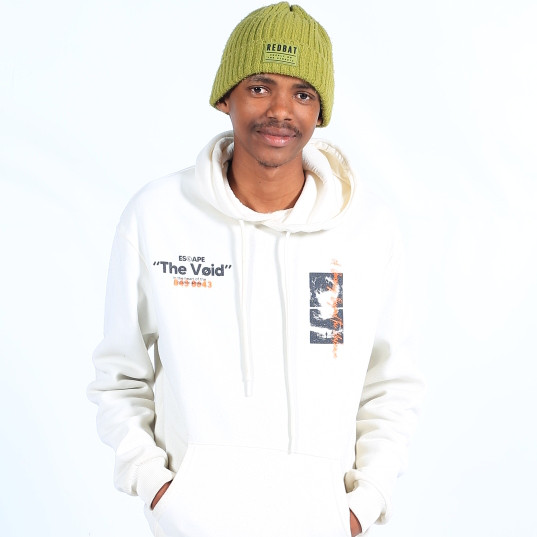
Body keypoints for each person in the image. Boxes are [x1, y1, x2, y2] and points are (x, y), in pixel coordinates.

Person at [88, 3, 424, 536]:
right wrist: (155, 486)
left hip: (322, 523)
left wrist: (365, 502)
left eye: (303, 94)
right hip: (193, 524)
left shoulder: (366, 230)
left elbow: (390, 383)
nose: (281, 111)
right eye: (260, 87)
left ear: (321, 111)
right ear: (226, 96)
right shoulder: (158, 216)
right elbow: (119, 375)